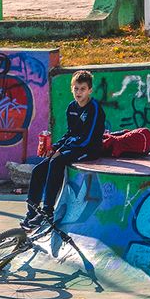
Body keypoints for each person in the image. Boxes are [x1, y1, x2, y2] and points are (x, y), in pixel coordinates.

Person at [22, 69, 106, 229]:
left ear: (90, 90)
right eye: (76, 88)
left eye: (82, 89)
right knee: (39, 170)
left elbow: (87, 138)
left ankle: (47, 211)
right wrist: (55, 147)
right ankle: (31, 212)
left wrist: (62, 150)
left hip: (89, 149)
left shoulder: (94, 108)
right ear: (72, 89)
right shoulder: (71, 108)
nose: (79, 92)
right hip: (74, 146)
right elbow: (70, 133)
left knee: (57, 162)